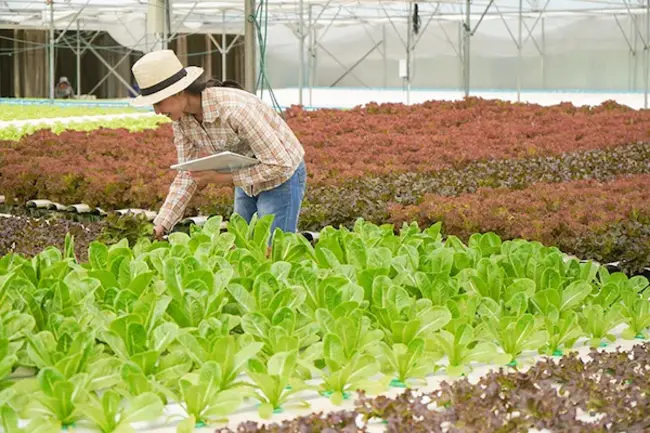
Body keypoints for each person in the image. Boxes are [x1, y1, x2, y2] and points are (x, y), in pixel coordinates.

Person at [130, 49, 307, 241]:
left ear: (178, 92)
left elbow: (279, 164)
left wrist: (221, 178)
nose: (157, 111)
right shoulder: (182, 121)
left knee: (273, 247)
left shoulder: (236, 111)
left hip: (281, 176)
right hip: (245, 174)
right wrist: (161, 225)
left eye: (158, 102)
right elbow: (187, 175)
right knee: (241, 245)